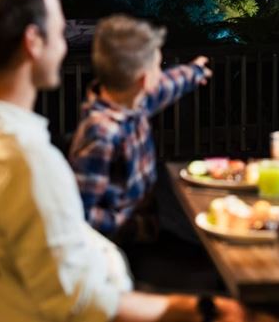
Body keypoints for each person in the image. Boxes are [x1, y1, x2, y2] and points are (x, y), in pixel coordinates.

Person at [0, 0, 243, 322]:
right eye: (60, 32)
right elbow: (88, 307)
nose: (65, 44)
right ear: (33, 42)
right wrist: (201, 311)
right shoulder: (27, 163)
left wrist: (194, 71)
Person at [69, 14, 211, 242]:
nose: (160, 73)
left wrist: (194, 72)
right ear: (144, 80)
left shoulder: (132, 101)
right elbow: (80, 213)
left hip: (149, 222)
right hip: (121, 243)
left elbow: (167, 86)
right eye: (157, 67)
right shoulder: (101, 134)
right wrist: (129, 226)